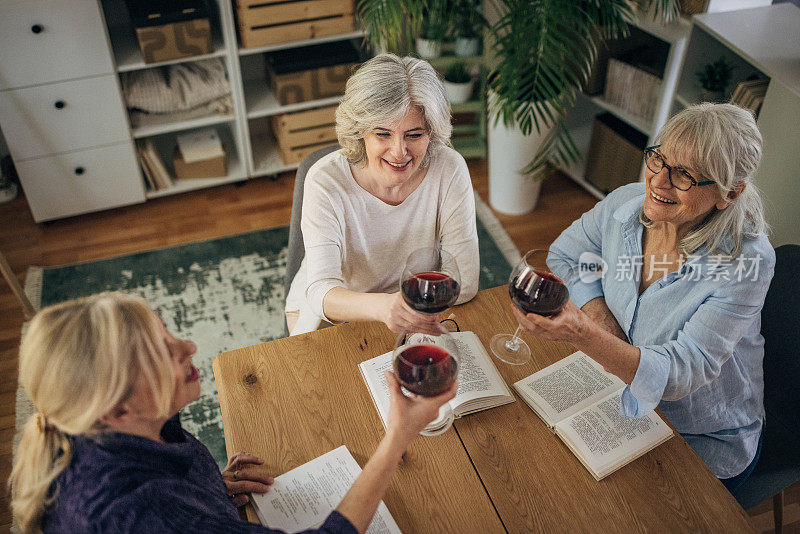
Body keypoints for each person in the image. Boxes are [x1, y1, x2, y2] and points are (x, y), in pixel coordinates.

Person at [9, 292, 456, 533]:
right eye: (163, 354)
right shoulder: (138, 515)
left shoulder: (105, 428)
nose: (189, 348)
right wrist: (398, 436)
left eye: (168, 333)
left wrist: (207, 490)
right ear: (115, 407)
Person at [513, 103, 775, 492]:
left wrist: (585, 333)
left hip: (700, 436)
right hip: (617, 391)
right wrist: (604, 324)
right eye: (659, 159)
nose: (658, 182)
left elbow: (681, 373)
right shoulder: (627, 204)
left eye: (685, 175)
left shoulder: (745, 263)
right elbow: (568, 256)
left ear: (729, 193)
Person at [285, 53, 479, 336]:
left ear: (432, 133)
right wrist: (384, 307)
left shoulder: (449, 169)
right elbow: (319, 293)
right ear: (360, 131)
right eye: (383, 134)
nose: (399, 152)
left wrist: (403, 309)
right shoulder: (325, 181)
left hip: (417, 309)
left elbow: (465, 282)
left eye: (414, 135)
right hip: (337, 314)